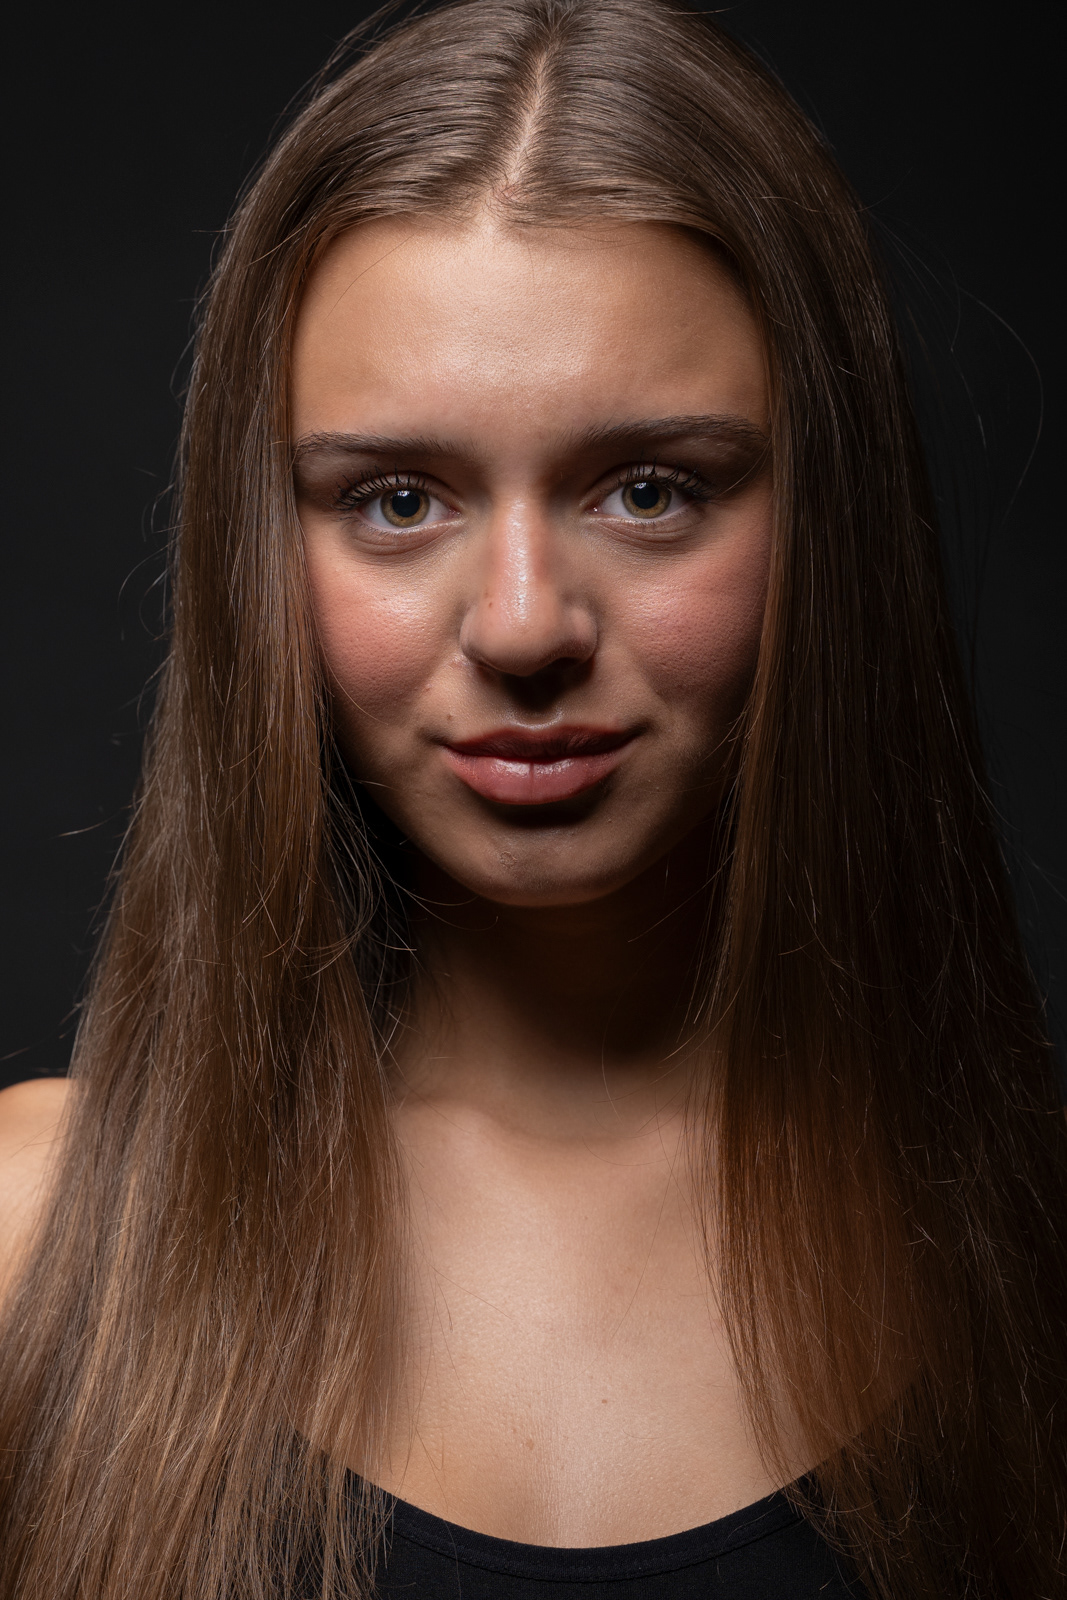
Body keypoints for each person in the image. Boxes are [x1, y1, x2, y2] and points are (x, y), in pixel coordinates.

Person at [0, 1, 1063, 1595]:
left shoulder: (1035, 1267)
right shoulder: (29, 1248)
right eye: (396, 500)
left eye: (649, 489)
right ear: (261, 550)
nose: (519, 626)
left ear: (830, 521)